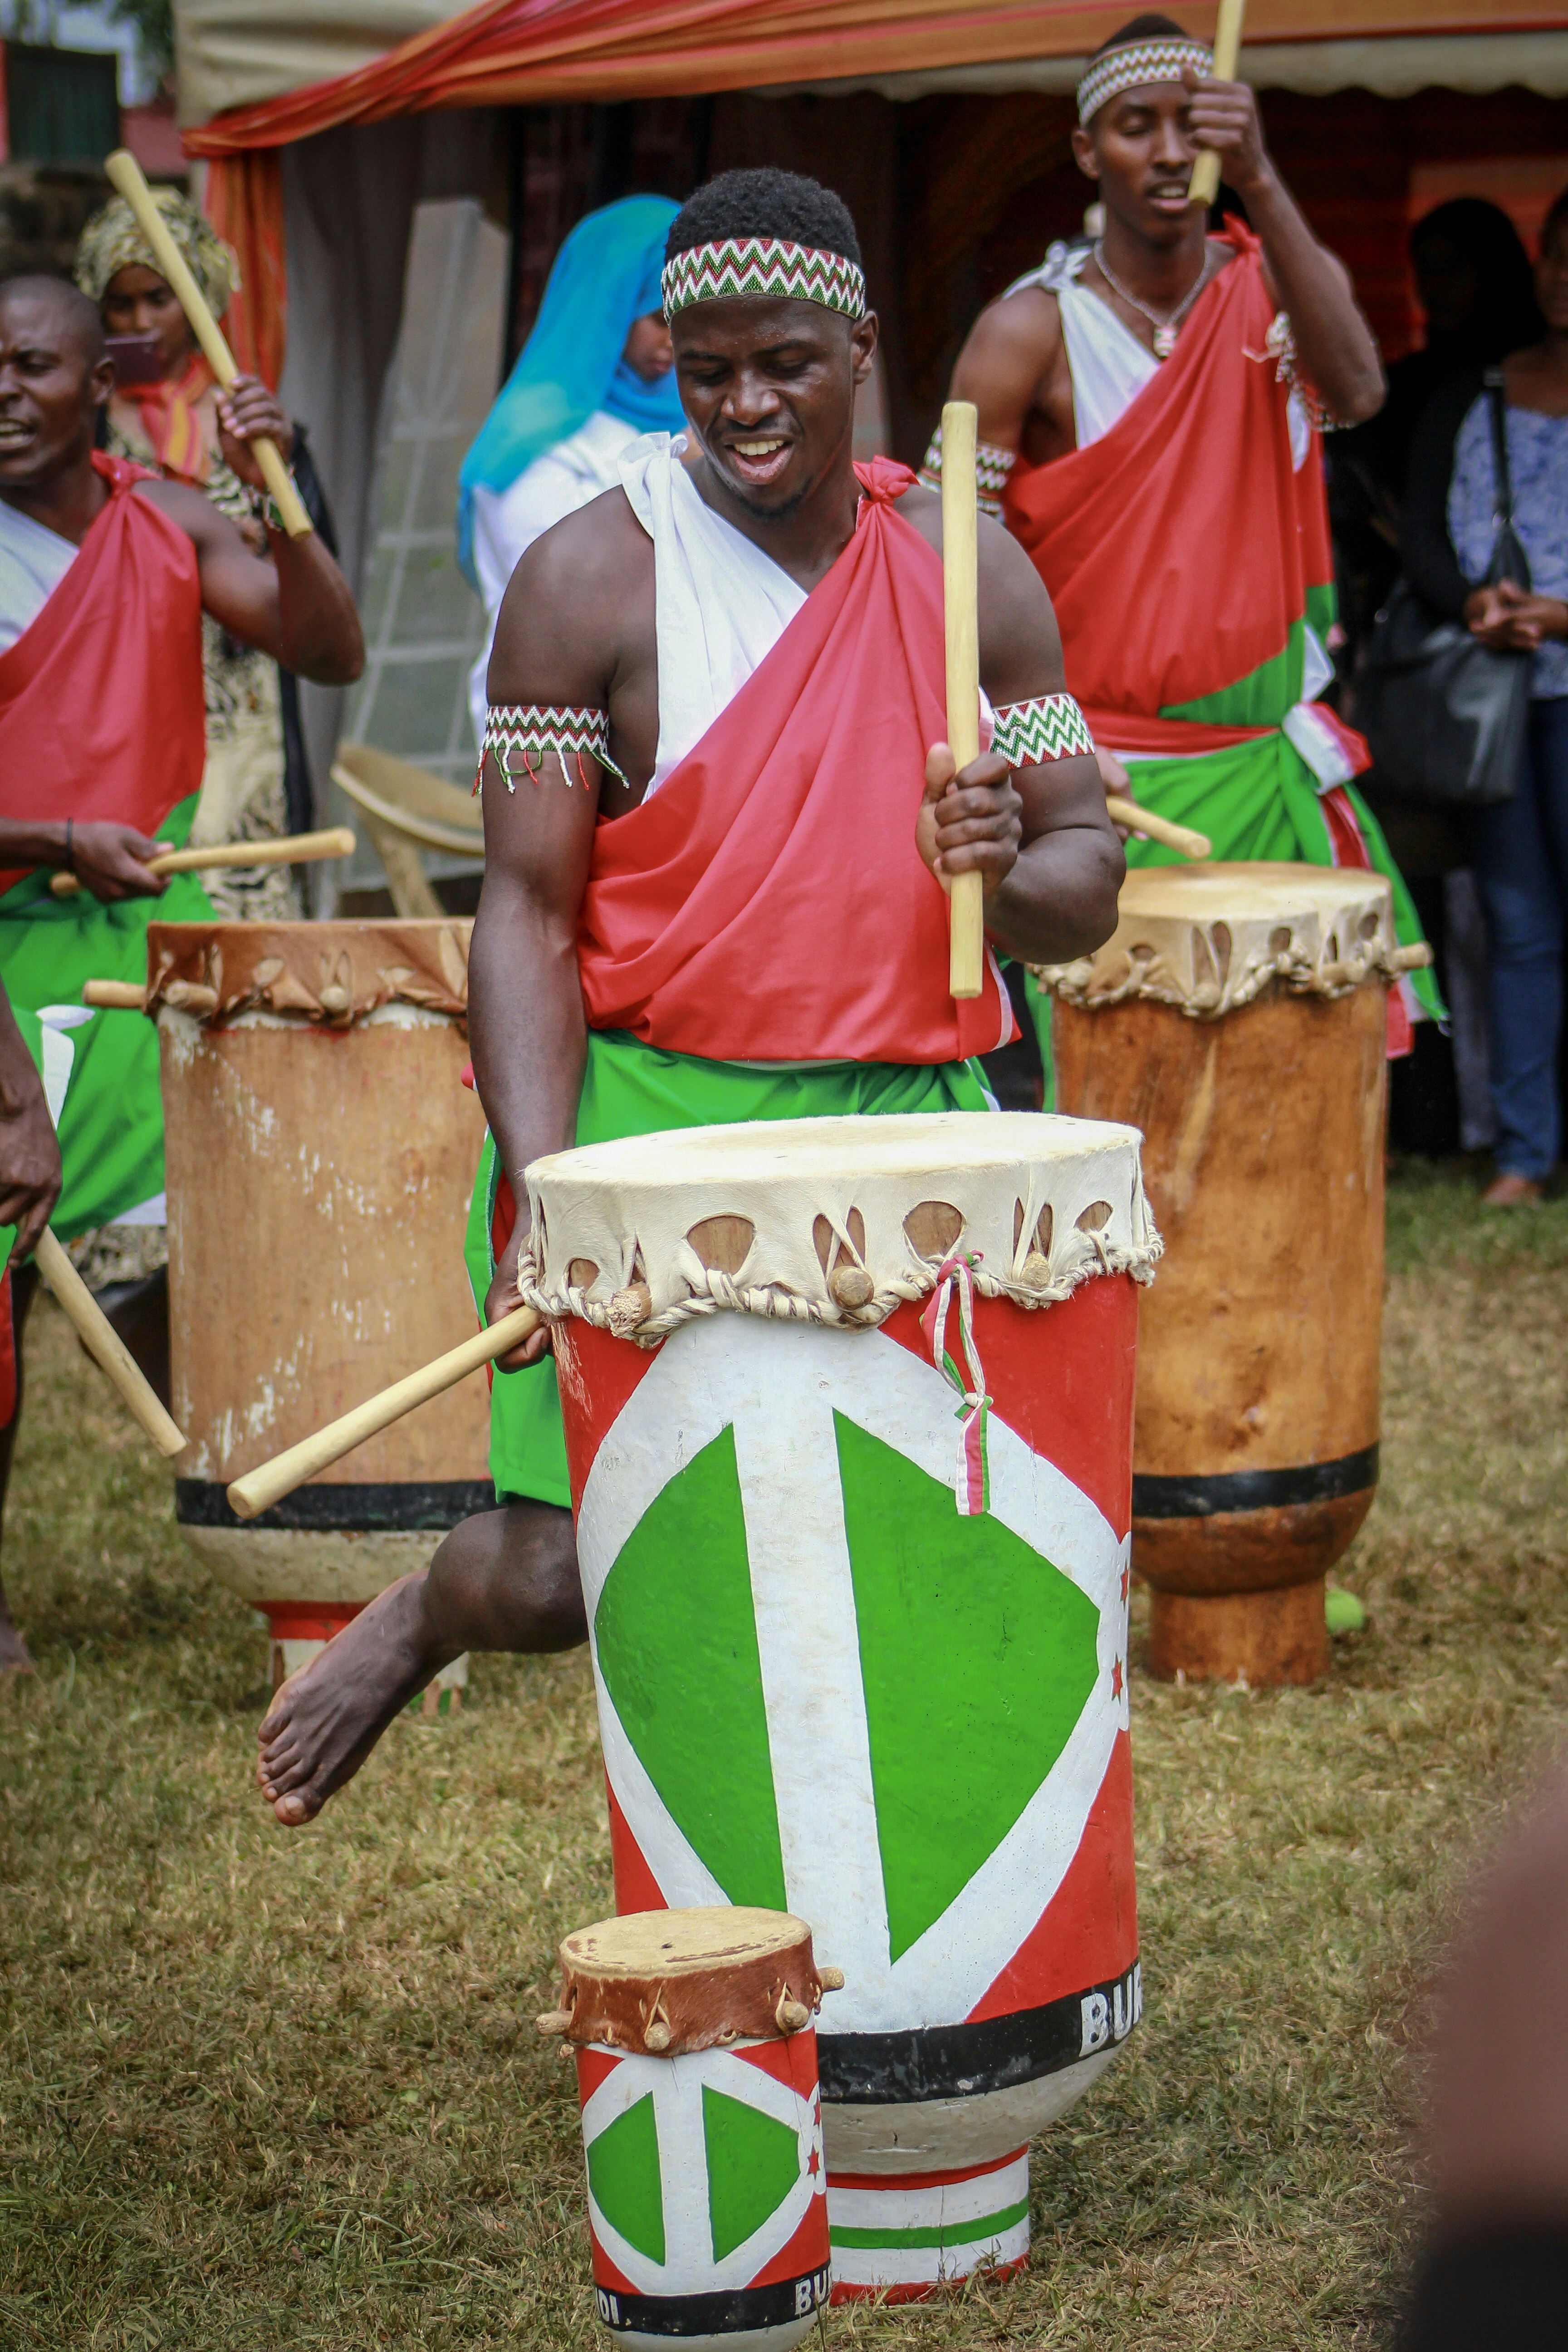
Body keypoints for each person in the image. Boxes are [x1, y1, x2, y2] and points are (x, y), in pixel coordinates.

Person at [255, 164, 1125, 1827]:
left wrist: (996, 868)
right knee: (575, 1568)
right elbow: (522, 908)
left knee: (926, 1545)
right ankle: (437, 1603)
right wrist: (542, 1172)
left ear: (861, 348)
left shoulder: (973, 579)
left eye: (782, 363)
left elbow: (1082, 896)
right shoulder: (586, 581)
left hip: (901, 1114)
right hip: (656, 1116)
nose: (740, 405)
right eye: (705, 366)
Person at [925, 11, 1439, 1068]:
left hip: (1257, 766)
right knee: (1118, 1089)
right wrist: (1004, 734)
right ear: (1084, 150)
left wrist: (1259, 173)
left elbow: (1357, 390)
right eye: (1132, 125)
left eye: (1189, 127)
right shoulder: (1028, 330)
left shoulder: (1271, 295)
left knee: (1277, 1096)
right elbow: (942, 562)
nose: (1167, 152)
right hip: (1090, 782)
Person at [0, 273, 363, 1670]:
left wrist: (280, 500)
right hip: (9, 936)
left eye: (33, 364)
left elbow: (326, 650)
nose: (5, 389)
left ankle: (266, 1526)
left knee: (195, 1258)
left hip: (142, 936)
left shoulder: (166, 516)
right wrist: (49, 837)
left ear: (99, 380)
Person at [74, 188, 338, 929]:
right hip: (132, 707)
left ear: (200, 295)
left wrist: (271, 508)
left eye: (158, 297)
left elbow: (319, 586)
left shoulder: (255, 429)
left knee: (246, 918)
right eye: (118, 304)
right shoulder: (84, 433)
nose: (138, 322)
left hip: (244, 711)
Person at [1402, 186, 1568, 1207]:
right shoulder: (1483, 393)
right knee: (1516, 924)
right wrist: (1474, 601)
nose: (1561, 276)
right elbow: (1423, 528)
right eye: (1557, 255)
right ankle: (1522, 1150)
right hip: (1502, 699)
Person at [457, 195, 686, 747]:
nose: (674, 342)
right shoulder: (529, 440)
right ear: (606, 301)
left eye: (688, 320)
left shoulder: (694, 417)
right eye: (658, 319)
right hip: (551, 723)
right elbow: (566, 594)